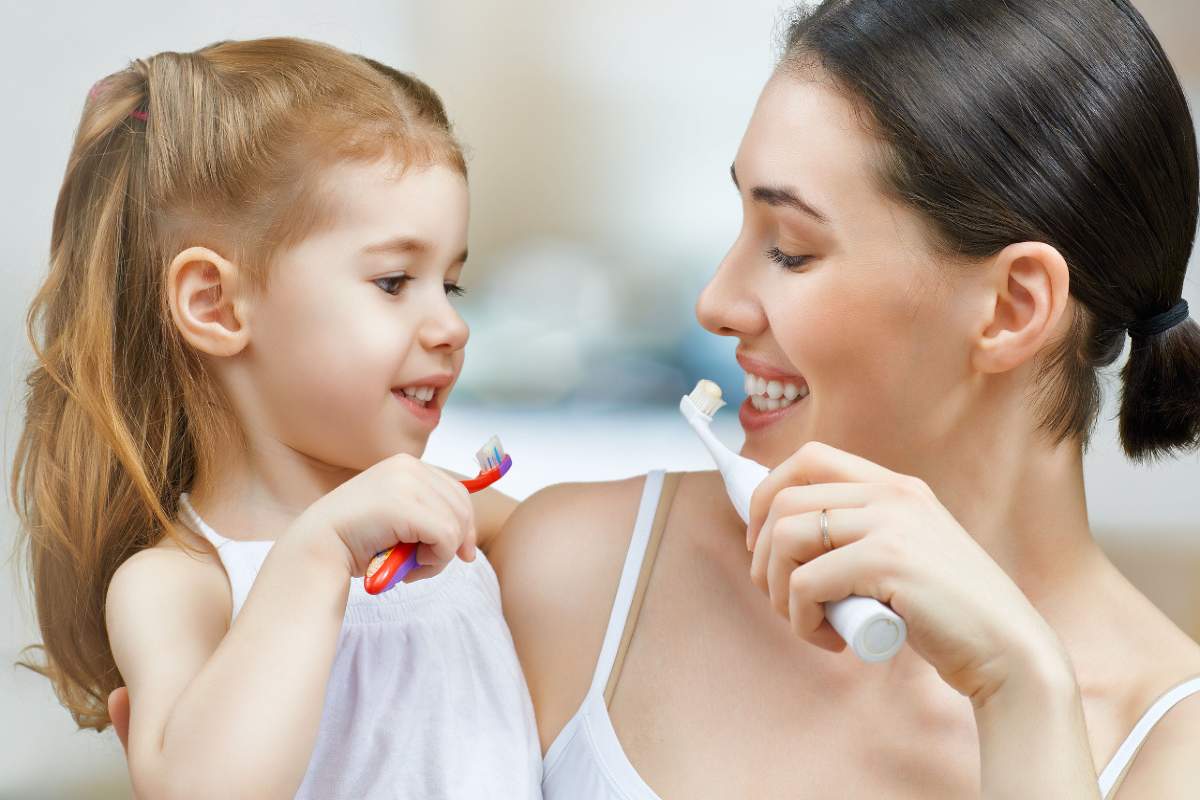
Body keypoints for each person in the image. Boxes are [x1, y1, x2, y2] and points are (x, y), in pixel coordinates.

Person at [490, 1, 1200, 796]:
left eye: (790, 251)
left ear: (1011, 307)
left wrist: (1022, 693)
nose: (716, 302)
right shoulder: (580, 573)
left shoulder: (1177, 751)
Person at [11, 38, 540, 798]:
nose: (450, 327)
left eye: (449, 286)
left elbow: (632, 554)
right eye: (395, 282)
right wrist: (315, 556)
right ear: (215, 305)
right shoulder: (181, 586)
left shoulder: (461, 516)